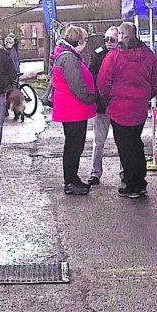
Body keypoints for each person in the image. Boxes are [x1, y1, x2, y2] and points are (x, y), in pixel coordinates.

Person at [97, 22, 157, 199]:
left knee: (125, 146)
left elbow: (103, 82)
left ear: (122, 35)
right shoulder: (148, 55)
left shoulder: (114, 56)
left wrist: (106, 100)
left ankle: (131, 184)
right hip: (139, 107)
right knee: (136, 143)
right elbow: (156, 79)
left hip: (119, 108)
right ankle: (140, 181)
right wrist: (146, 95)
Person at [51, 25, 98, 194]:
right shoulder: (70, 58)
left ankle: (73, 178)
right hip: (73, 109)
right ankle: (70, 182)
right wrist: (92, 97)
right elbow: (77, 86)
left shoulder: (67, 56)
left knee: (74, 145)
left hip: (71, 108)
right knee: (73, 146)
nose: (86, 43)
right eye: (85, 40)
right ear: (79, 41)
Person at [86, 26, 119, 186]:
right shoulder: (98, 55)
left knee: (122, 142)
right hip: (102, 105)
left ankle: (124, 173)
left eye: (112, 40)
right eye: (106, 39)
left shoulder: (123, 55)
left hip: (119, 105)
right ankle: (95, 173)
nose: (108, 43)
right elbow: (92, 79)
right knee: (98, 141)